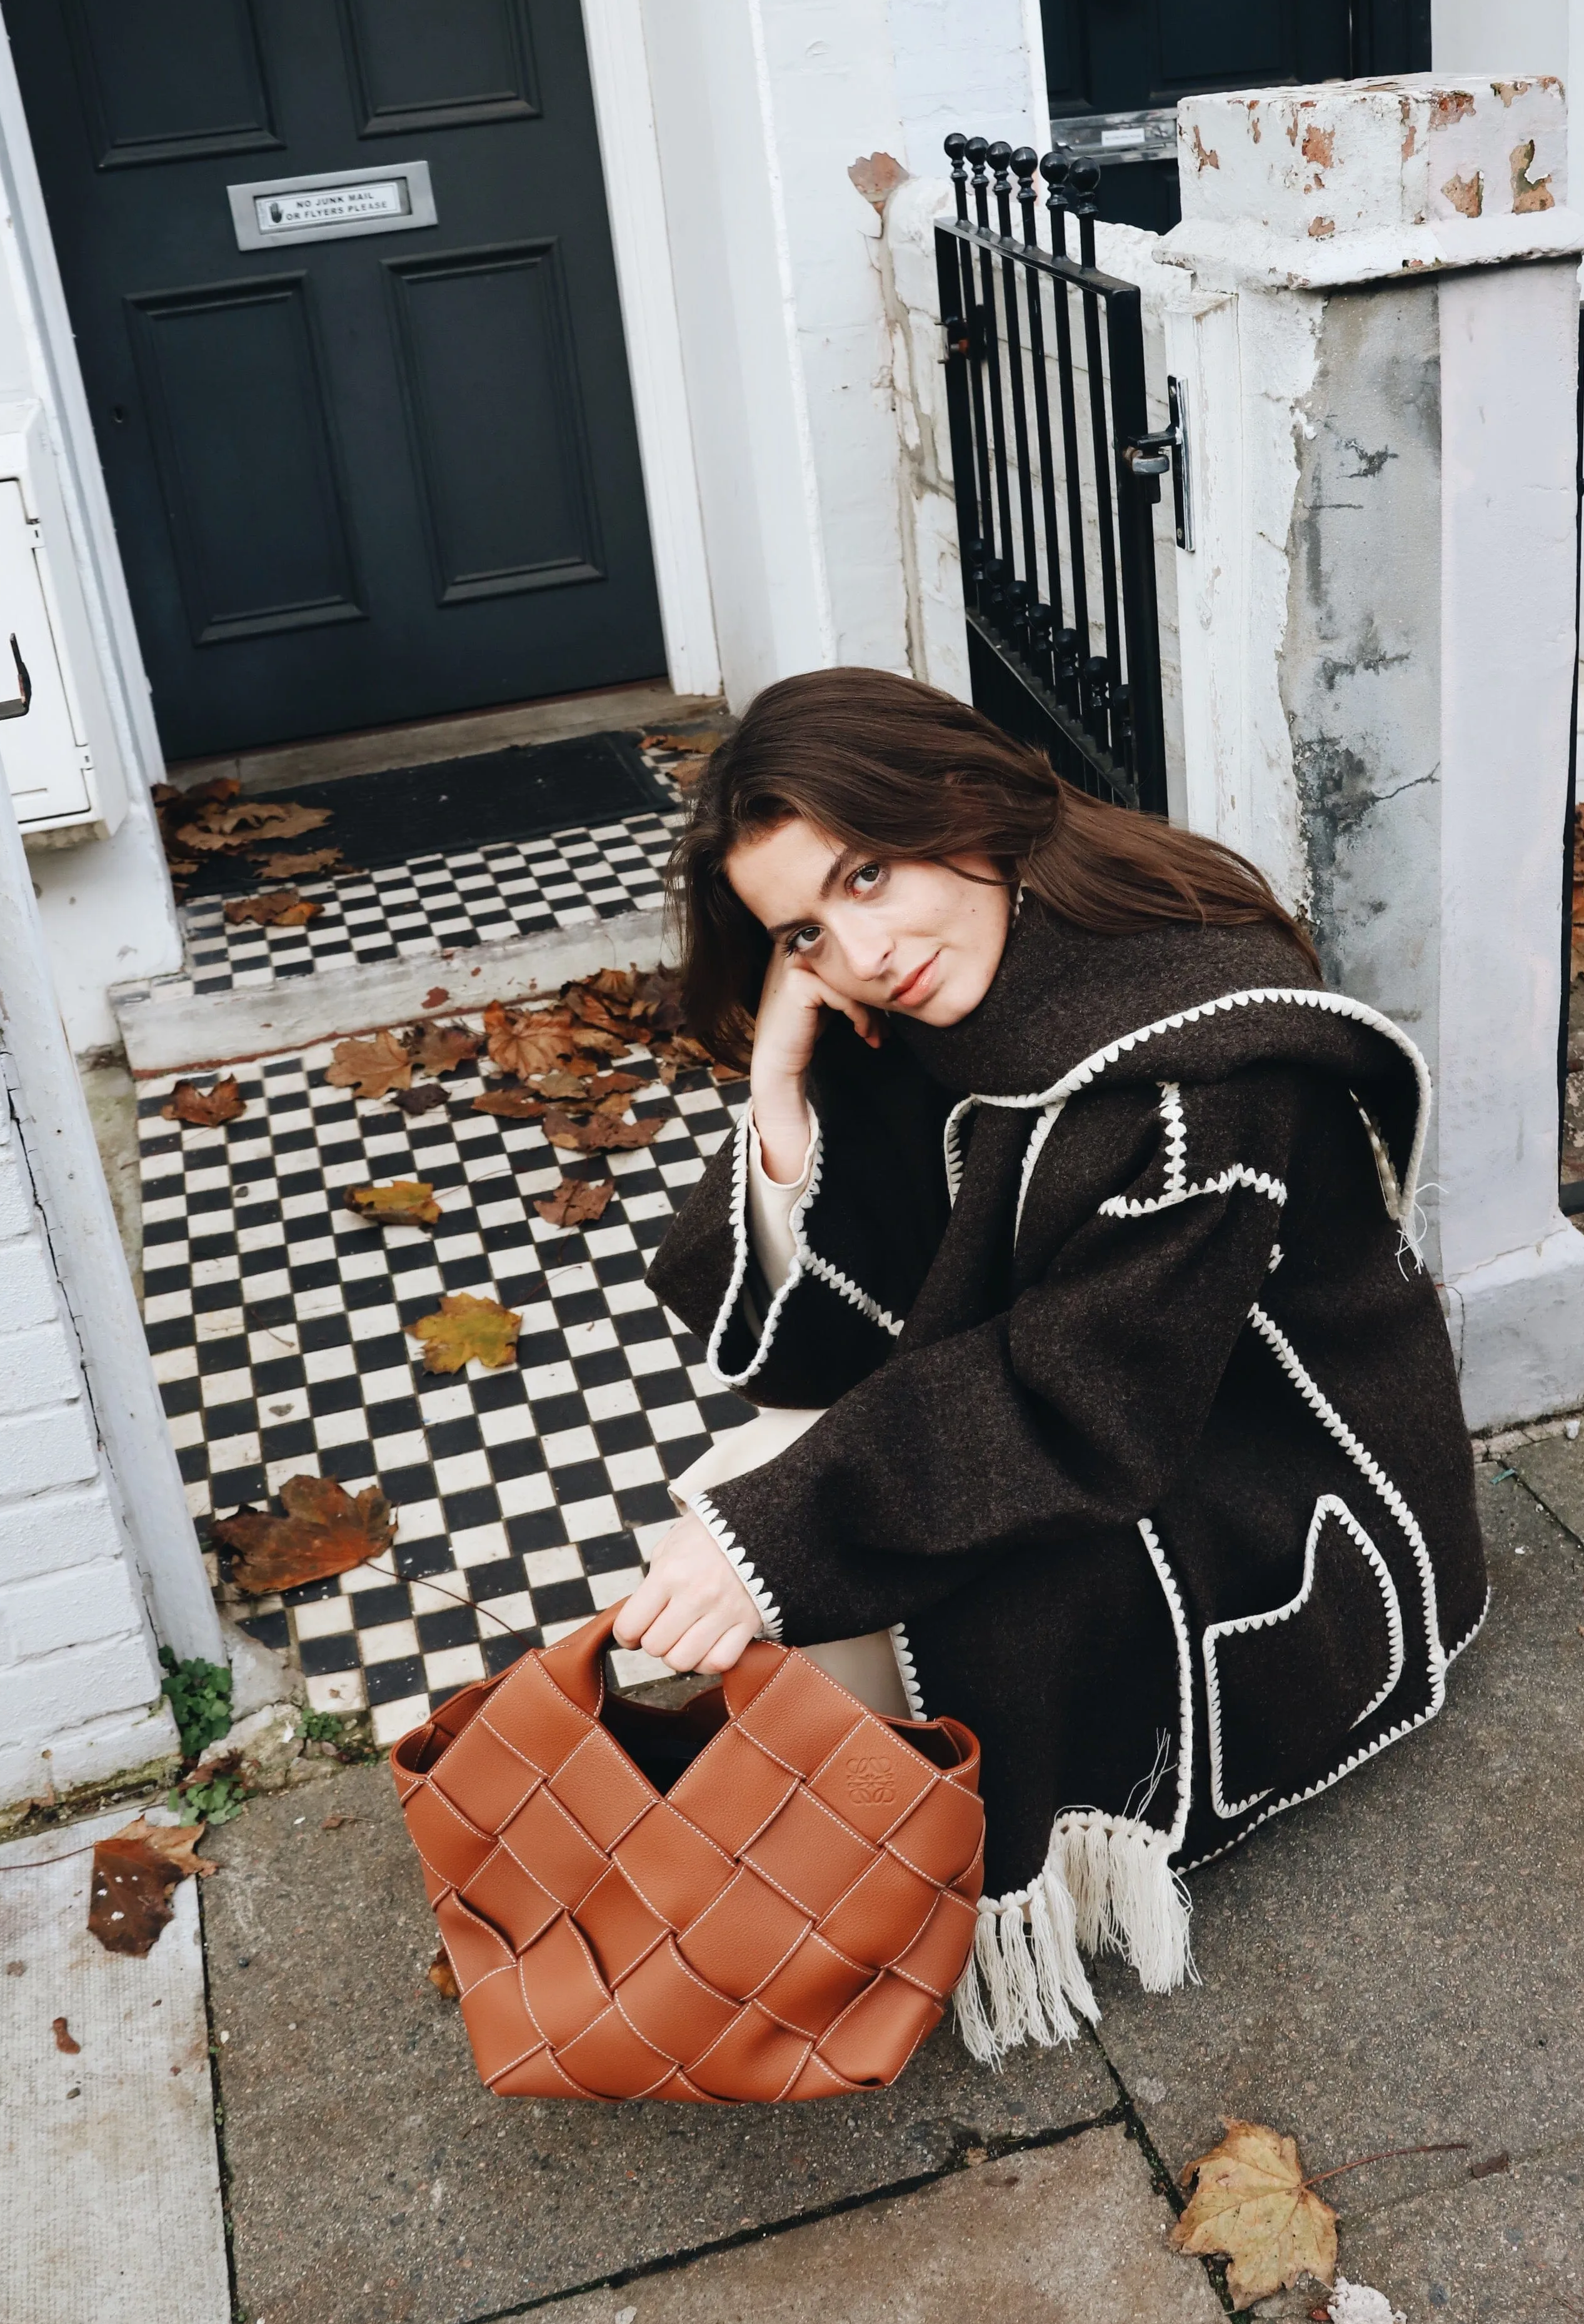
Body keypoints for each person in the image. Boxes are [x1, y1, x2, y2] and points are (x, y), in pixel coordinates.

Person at [613, 671, 1485, 2062]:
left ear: (962, 805)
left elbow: (1078, 1405)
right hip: (1120, 1403)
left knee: (784, 1553)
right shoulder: (943, 996)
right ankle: (814, 1840)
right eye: (806, 931)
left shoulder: (1193, 1057)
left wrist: (773, 1540)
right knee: (753, 1500)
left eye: (869, 870)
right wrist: (780, 1093)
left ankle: (863, 1880)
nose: (863, 947)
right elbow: (848, 1323)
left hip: (1261, 1459)